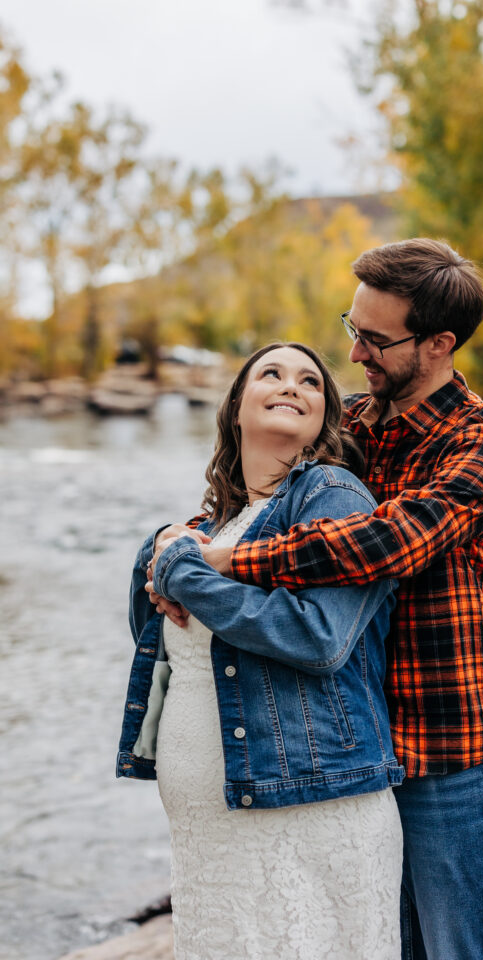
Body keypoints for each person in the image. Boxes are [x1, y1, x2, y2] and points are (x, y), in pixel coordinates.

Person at [181, 239, 483, 960]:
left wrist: (233, 561)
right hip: (353, 750)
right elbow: (264, 496)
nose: (357, 353)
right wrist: (182, 539)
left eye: (374, 339)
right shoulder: (354, 429)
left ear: (437, 344)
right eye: (352, 328)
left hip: (448, 747)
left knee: (456, 948)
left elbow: (390, 542)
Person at [117, 342, 405, 960]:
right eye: (270, 374)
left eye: (310, 382)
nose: (291, 385)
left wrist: (184, 572)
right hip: (210, 824)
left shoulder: (332, 495)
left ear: (324, 417)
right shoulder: (215, 525)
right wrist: (157, 550)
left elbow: (319, 638)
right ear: (237, 409)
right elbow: (154, 633)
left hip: (306, 805)